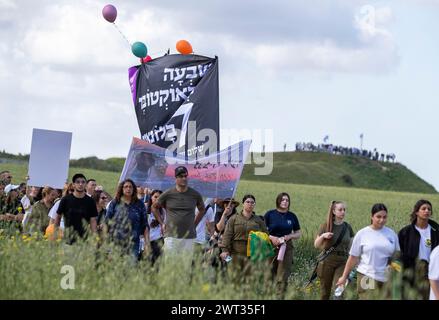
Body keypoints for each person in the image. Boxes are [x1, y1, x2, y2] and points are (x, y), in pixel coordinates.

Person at [336, 203, 400, 300]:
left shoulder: (391, 234)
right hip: (366, 276)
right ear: (372, 216)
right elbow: (353, 257)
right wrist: (344, 276)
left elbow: (397, 256)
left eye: (384, 217)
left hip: (386, 278)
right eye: (378, 217)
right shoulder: (362, 234)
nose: (382, 220)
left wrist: (395, 268)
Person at [151, 166, 205, 256]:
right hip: (171, 236)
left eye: (185, 176)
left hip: (188, 236)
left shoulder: (195, 194)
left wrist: (194, 224)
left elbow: (202, 210)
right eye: (181, 176)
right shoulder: (168, 194)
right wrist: (162, 223)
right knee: (170, 264)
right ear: (175, 178)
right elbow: (154, 207)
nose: (184, 178)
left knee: (186, 265)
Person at [220, 194, 269, 279]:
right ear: (243, 204)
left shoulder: (259, 220)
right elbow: (227, 235)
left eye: (252, 202)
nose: (250, 204)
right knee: (234, 278)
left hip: (252, 255)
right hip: (235, 253)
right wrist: (224, 250)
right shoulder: (234, 218)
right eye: (248, 202)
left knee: (249, 279)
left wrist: (258, 239)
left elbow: (266, 235)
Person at [398, 199, 439, 299]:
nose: (426, 211)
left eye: (429, 209)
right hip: (411, 273)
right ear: (416, 212)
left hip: (431, 273)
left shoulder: (436, 231)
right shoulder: (405, 232)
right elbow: (398, 255)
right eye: (423, 209)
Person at [313, 201, 354, 300]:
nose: (343, 212)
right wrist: (323, 236)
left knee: (339, 292)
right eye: (340, 210)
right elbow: (316, 245)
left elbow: (352, 246)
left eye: (344, 210)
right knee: (324, 292)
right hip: (327, 262)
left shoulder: (347, 227)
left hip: (342, 262)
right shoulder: (325, 226)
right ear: (334, 211)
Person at [265, 192, 302, 297]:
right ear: (278, 201)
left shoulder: (292, 216)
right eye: (282, 200)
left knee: (283, 276)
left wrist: (289, 236)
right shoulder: (270, 214)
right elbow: (262, 231)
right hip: (270, 247)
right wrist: (272, 237)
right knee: (269, 275)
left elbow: (298, 233)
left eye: (287, 200)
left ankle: (280, 297)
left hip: (286, 248)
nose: (285, 202)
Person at [106, 179, 149, 262]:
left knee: (130, 269)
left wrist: (147, 244)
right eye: (126, 187)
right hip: (115, 242)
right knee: (115, 269)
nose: (128, 189)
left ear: (134, 189)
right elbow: (107, 223)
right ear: (121, 189)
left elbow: (145, 225)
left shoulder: (140, 204)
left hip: (133, 243)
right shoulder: (115, 203)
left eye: (130, 187)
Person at [55, 173, 98, 244]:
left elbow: (93, 221)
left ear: (86, 185)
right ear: (73, 184)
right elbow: (58, 217)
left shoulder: (90, 201)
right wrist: (55, 233)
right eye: (78, 182)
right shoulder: (65, 200)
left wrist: (94, 238)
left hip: (84, 241)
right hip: (67, 240)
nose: (80, 184)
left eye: (83, 182)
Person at [147, 189, 165, 265]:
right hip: (146, 240)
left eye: (160, 198)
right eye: (155, 197)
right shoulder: (145, 208)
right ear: (151, 197)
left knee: (156, 264)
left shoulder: (163, 211)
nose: (157, 199)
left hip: (158, 240)